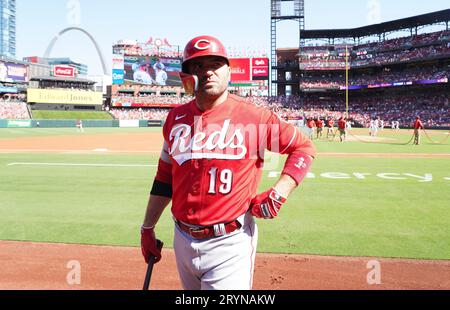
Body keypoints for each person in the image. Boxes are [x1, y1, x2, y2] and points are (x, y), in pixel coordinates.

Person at [140, 35, 316, 290]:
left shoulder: (255, 117)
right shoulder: (175, 120)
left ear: (228, 71)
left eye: (215, 64)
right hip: (181, 237)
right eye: (198, 66)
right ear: (186, 76)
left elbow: (304, 148)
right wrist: (147, 227)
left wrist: (280, 192)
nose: (208, 72)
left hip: (230, 243)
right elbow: (164, 179)